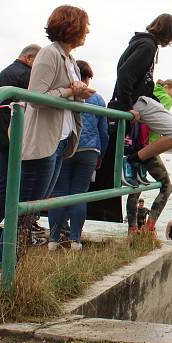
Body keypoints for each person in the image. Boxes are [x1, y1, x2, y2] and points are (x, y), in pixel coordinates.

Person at [0, 5, 93, 282]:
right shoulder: (49, 53)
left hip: (60, 139)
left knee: (31, 207)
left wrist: (79, 93)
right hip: (43, 140)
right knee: (25, 207)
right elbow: (37, 96)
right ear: (72, 26)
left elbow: (63, 95)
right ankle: (1, 267)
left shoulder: (68, 58)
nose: (87, 31)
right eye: (85, 25)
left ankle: (10, 265)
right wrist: (72, 90)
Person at [109, 14, 172, 236]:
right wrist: (127, 107)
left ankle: (138, 159)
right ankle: (135, 159)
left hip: (142, 100)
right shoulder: (147, 45)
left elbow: (131, 75)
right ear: (167, 34)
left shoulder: (143, 42)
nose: (169, 43)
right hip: (136, 103)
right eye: (171, 39)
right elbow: (124, 73)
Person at [46, 60, 109, 251]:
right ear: (87, 77)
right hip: (89, 151)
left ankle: (54, 239)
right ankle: (75, 240)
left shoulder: (64, 95)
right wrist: (100, 155)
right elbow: (103, 131)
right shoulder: (97, 99)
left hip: (64, 147)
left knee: (59, 194)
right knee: (79, 195)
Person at [0, 44, 40, 243]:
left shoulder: (6, 72)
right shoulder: (26, 74)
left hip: (1, 133)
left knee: (4, 181)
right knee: (19, 182)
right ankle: (16, 229)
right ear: (28, 58)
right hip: (17, 134)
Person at [148, 79, 172, 144]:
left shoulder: (151, 91)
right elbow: (162, 118)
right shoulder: (167, 98)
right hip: (151, 137)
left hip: (140, 133)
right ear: (166, 87)